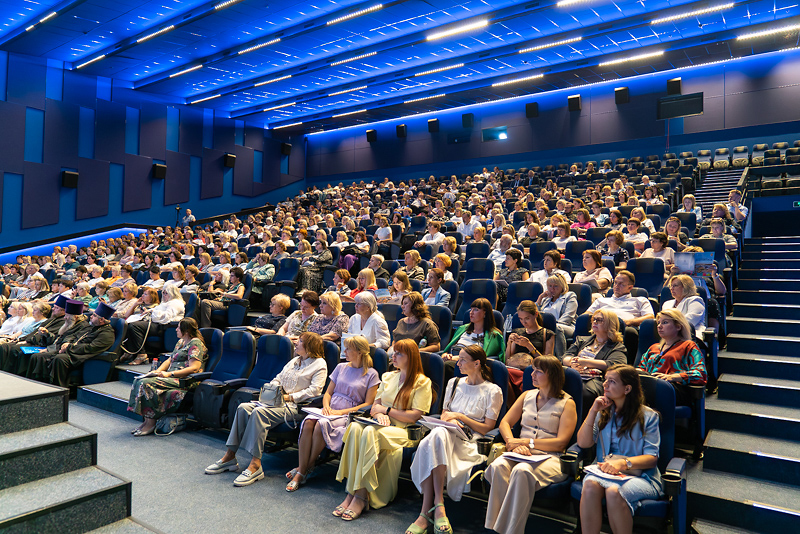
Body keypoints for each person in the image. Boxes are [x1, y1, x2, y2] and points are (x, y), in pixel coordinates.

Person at [205, 332, 327, 486]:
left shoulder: (319, 364)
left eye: (300, 341)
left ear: (310, 346)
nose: (296, 342)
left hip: (294, 407)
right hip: (276, 401)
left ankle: (255, 465)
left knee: (258, 413)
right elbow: (278, 378)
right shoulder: (295, 360)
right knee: (243, 408)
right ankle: (230, 456)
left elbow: (315, 391)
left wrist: (289, 397)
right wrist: (273, 390)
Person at [408, 345, 503, 534]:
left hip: (470, 441)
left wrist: (460, 417)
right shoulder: (454, 382)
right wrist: (450, 420)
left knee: (432, 441)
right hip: (447, 434)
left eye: (462, 360)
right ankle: (438, 504)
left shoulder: (493, 391)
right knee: (438, 435)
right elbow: (444, 415)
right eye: (458, 359)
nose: (457, 363)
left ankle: (425, 512)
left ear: (477, 364)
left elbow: (487, 428)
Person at [334, 339, 433, 518]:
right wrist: (379, 414)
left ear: (410, 357)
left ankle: (361, 495)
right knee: (356, 428)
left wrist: (386, 411)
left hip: (404, 431)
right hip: (381, 425)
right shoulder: (388, 376)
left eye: (398, 354)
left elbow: (414, 416)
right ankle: (352, 491)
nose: (393, 356)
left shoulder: (422, 382)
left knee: (370, 432)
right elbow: (375, 406)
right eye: (393, 353)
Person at [484, 355, 578, 534]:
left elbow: (561, 443)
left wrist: (527, 442)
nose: (532, 375)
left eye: (538, 371)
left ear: (552, 375)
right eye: (533, 370)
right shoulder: (527, 395)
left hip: (550, 457)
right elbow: (505, 423)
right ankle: (493, 528)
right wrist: (511, 442)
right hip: (519, 452)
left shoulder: (567, 403)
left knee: (522, 471)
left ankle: (510, 531)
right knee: (498, 466)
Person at [287, 335, 379, 492]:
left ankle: (303, 470)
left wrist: (339, 411)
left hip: (347, 413)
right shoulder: (341, 367)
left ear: (359, 352)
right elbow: (328, 393)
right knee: (308, 422)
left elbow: (368, 404)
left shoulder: (371, 374)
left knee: (320, 425)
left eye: (348, 348)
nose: (345, 351)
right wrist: (326, 406)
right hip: (330, 408)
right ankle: (305, 468)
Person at [577, 365, 663, 534]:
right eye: (605, 380)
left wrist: (622, 464)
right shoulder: (603, 412)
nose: (605, 385)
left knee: (614, 491)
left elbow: (652, 457)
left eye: (612, 381)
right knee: (589, 486)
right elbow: (583, 442)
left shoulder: (648, 416)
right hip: (605, 472)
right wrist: (593, 411)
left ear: (627, 388)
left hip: (641, 476)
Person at [127, 318, 208, 436]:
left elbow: (194, 368)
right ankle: (146, 422)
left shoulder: (195, 344)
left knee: (146, 384)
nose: (176, 330)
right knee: (139, 380)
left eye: (179, 327)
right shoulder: (181, 342)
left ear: (186, 331)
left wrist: (169, 374)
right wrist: (157, 372)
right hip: (171, 377)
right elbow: (169, 360)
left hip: (185, 380)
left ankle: (151, 423)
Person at [28, 301, 116, 387]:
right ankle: (36, 385)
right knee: (38, 356)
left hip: (78, 356)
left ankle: (58, 390)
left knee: (60, 359)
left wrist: (69, 347)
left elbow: (91, 348)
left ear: (102, 320)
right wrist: (66, 343)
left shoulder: (107, 334)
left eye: (94, 316)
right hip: (70, 351)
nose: (91, 316)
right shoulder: (91, 327)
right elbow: (74, 336)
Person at [563, 309, 628, 414]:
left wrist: (585, 362)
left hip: (594, 379)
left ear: (610, 324)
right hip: (574, 374)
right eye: (594, 319)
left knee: (582, 394)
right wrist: (572, 362)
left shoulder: (617, 347)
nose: (594, 322)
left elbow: (615, 364)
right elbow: (565, 356)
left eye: (600, 320)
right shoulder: (582, 340)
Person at [637, 309, 707, 406]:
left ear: (678, 326)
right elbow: (641, 369)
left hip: (672, 389)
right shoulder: (653, 348)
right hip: (649, 385)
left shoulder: (688, 346)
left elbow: (700, 374)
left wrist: (673, 377)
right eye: (658, 323)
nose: (659, 326)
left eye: (664, 322)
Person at [585, 270, 655, 359]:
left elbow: (650, 317)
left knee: (630, 332)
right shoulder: (601, 300)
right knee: (583, 322)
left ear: (630, 287)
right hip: (601, 326)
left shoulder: (639, 300)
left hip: (624, 328)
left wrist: (628, 322)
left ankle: (624, 361)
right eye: (615, 283)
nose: (617, 286)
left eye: (621, 284)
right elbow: (586, 315)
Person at [121, 284, 186, 365]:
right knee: (128, 324)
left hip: (164, 326)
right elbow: (155, 310)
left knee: (135, 326)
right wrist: (148, 311)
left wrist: (152, 312)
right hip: (156, 323)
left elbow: (167, 317)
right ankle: (130, 351)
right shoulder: (165, 303)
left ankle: (142, 355)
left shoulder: (175, 302)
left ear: (172, 293)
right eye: (163, 293)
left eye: (166, 293)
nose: (164, 295)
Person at [443, 298, 505, 365]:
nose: (471, 312)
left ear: (485, 313)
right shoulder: (462, 329)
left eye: (476, 310)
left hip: (469, 365)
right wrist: (445, 355)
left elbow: (483, 357)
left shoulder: (494, 335)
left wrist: (458, 358)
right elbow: (448, 350)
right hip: (452, 359)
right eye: (471, 309)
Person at [536, 273, 579, 338]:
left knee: (556, 329)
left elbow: (568, 315)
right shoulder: (546, 299)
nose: (552, 289)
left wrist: (552, 325)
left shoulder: (570, 296)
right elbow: (535, 314)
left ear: (562, 286)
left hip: (565, 326)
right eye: (550, 286)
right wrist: (540, 299)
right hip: (545, 327)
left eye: (555, 286)